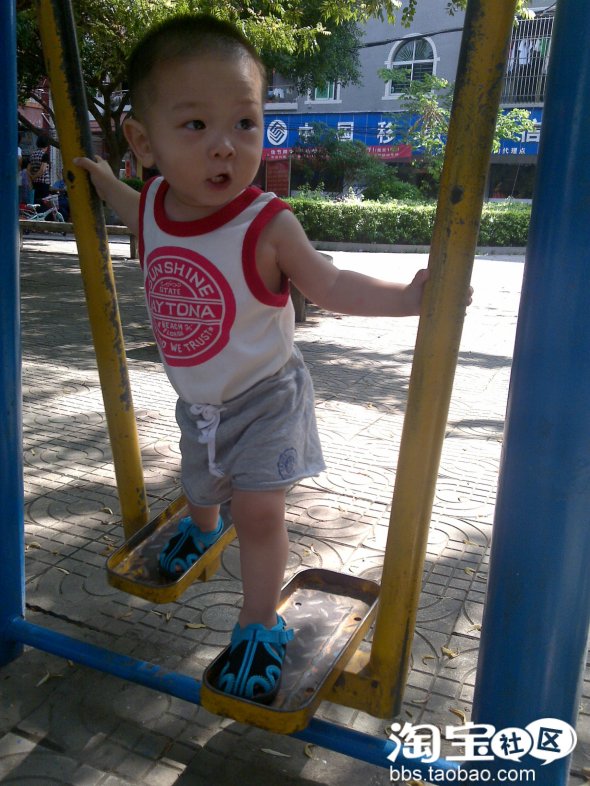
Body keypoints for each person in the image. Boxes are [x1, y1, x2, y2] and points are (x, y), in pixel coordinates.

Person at [74, 14, 433, 706]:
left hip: (267, 399)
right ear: (144, 142)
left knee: (260, 514)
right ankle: (202, 529)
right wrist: (99, 178)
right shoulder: (155, 207)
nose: (225, 146)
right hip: (198, 401)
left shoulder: (267, 223)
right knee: (202, 488)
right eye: (195, 125)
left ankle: (258, 625)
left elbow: (330, 285)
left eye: (244, 123)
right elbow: (129, 205)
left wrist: (408, 300)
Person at [28, 135, 51, 206]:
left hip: (35, 183)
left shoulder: (32, 154)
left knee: (35, 203)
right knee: (43, 203)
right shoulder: (45, 155)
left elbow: (28, 169)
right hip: (43, 184)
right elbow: (42, 170)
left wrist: (31, 178)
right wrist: (34, 177)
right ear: (47, 145)